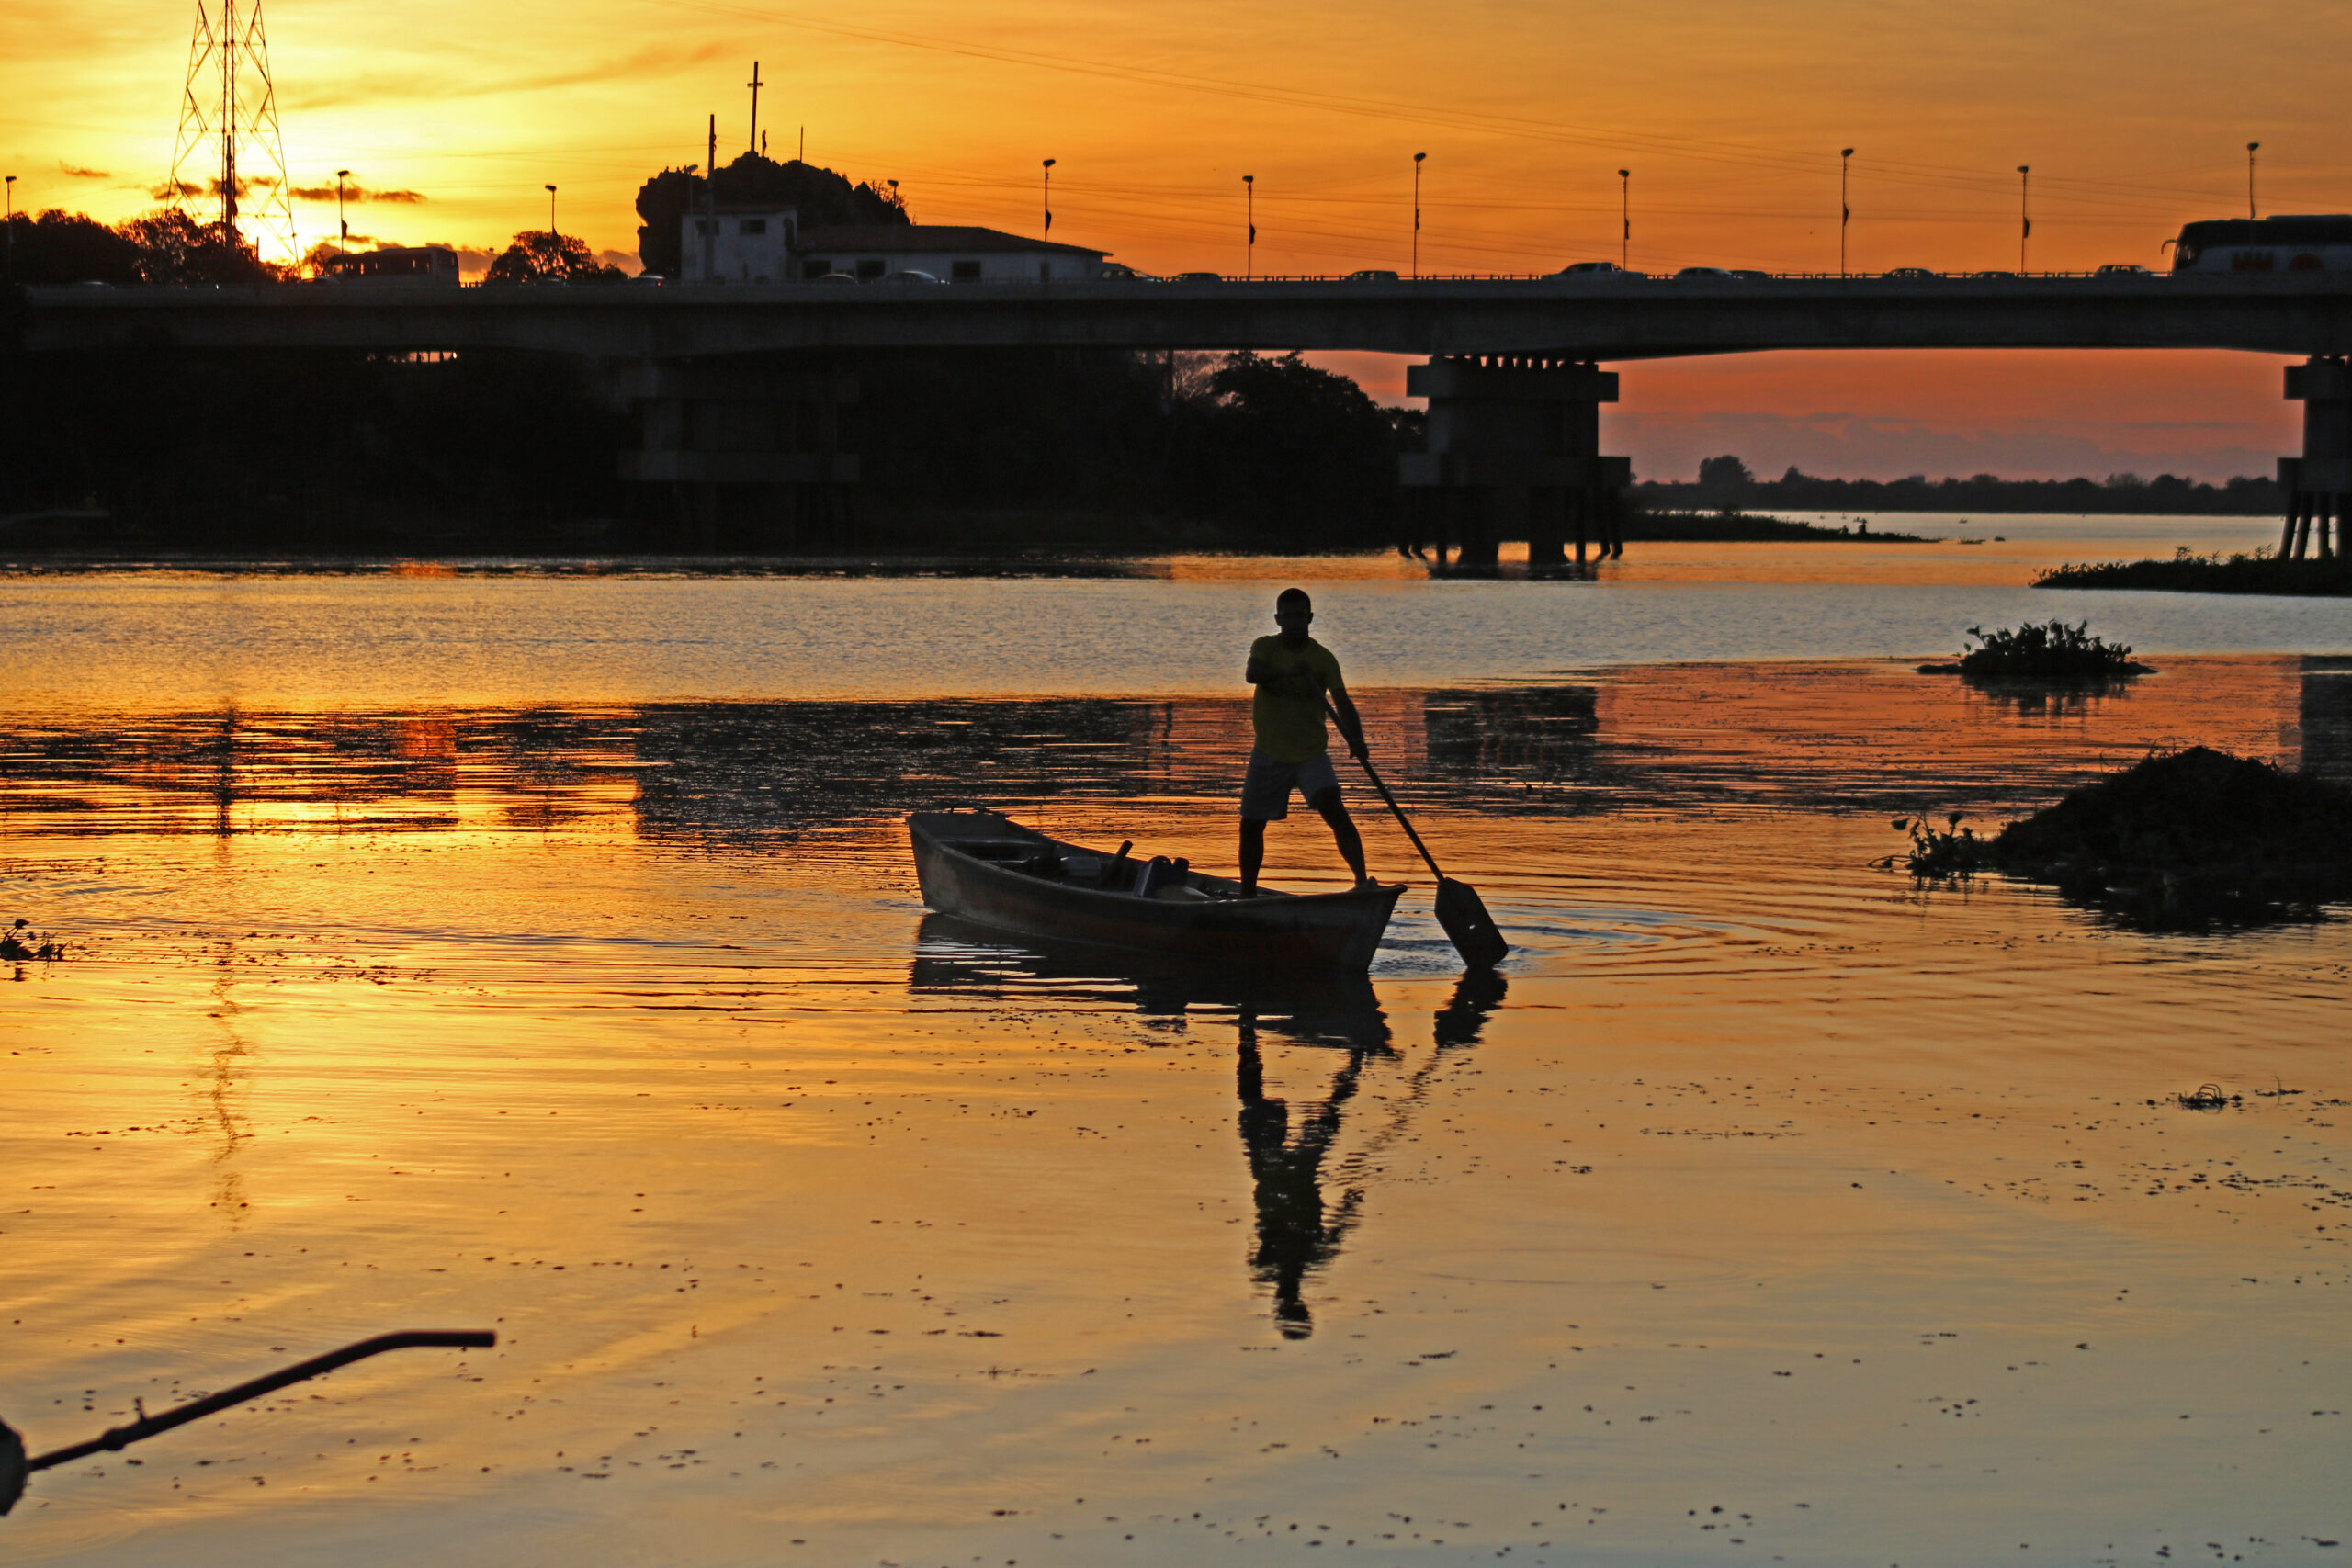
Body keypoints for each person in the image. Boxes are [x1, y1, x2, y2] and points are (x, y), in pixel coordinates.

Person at [1240, 588, 1374, 894]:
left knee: (1334, 810)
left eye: (1300, 616)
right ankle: (1246, 894)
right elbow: (1252, 673)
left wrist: (1358, 739)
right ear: (1278, 619)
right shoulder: (1265, 647)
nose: (1294, 623)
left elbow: (1342, 702)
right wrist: (1288, 672)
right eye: (1287, 617)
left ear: (1310, 618)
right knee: (1251, 825)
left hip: (1310, 753)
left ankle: (1362, 882)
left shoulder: (1323, 658)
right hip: (1268, 752)